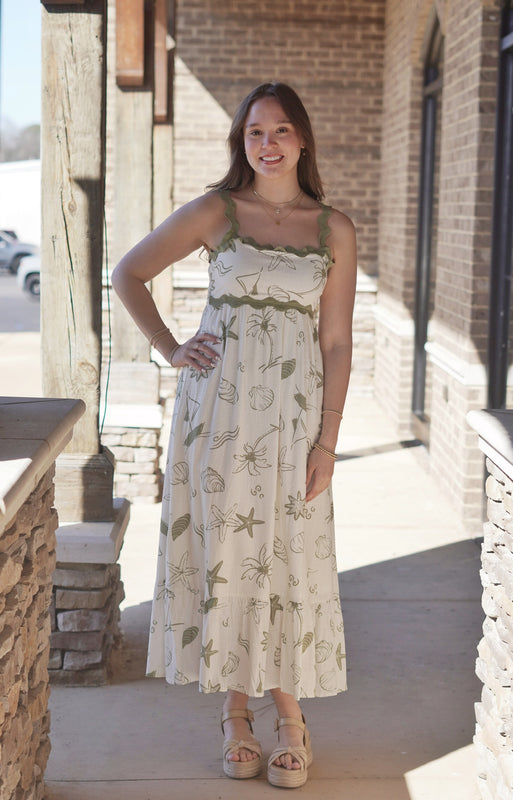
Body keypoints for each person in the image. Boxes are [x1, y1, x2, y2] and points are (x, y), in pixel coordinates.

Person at [112, 81, 357, 789]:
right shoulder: (217, 211)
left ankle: (290, 718)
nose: (268, 144)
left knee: (287, 556)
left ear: (302, 140)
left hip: (294, 420)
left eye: (281, 131)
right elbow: (129, 272)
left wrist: (327, 440)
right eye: (255, 132)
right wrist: (169, 348)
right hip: (215, 414)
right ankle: (235, 716)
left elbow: (335, 341)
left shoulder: (331, 227)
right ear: (240, 142)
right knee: (228, 551)